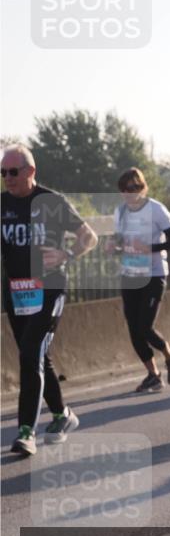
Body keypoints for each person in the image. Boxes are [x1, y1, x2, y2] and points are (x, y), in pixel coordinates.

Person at [1, 144, 97, 455]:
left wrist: (67, 253)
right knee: (37, 357)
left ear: (30, 171)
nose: (7, 178)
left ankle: (27, 431)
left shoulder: (52, 202)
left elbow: (89, 237)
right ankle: (62, 415)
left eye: (13, 172)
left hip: (49, 290)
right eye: (2, 172)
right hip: (17, 292)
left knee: (30, 354)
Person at [107, 168, 170, 393]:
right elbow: (119, 241)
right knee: (133, 330)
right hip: (130, 274)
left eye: (134, 188)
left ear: (142, 187)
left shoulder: (156, 209)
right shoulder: (120, 212)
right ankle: (153, 374)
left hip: (154, 274)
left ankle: (169, 355)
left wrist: (149, 248)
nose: (129, 193)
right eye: (124, 189)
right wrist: (113, 247)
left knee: (145, 327)